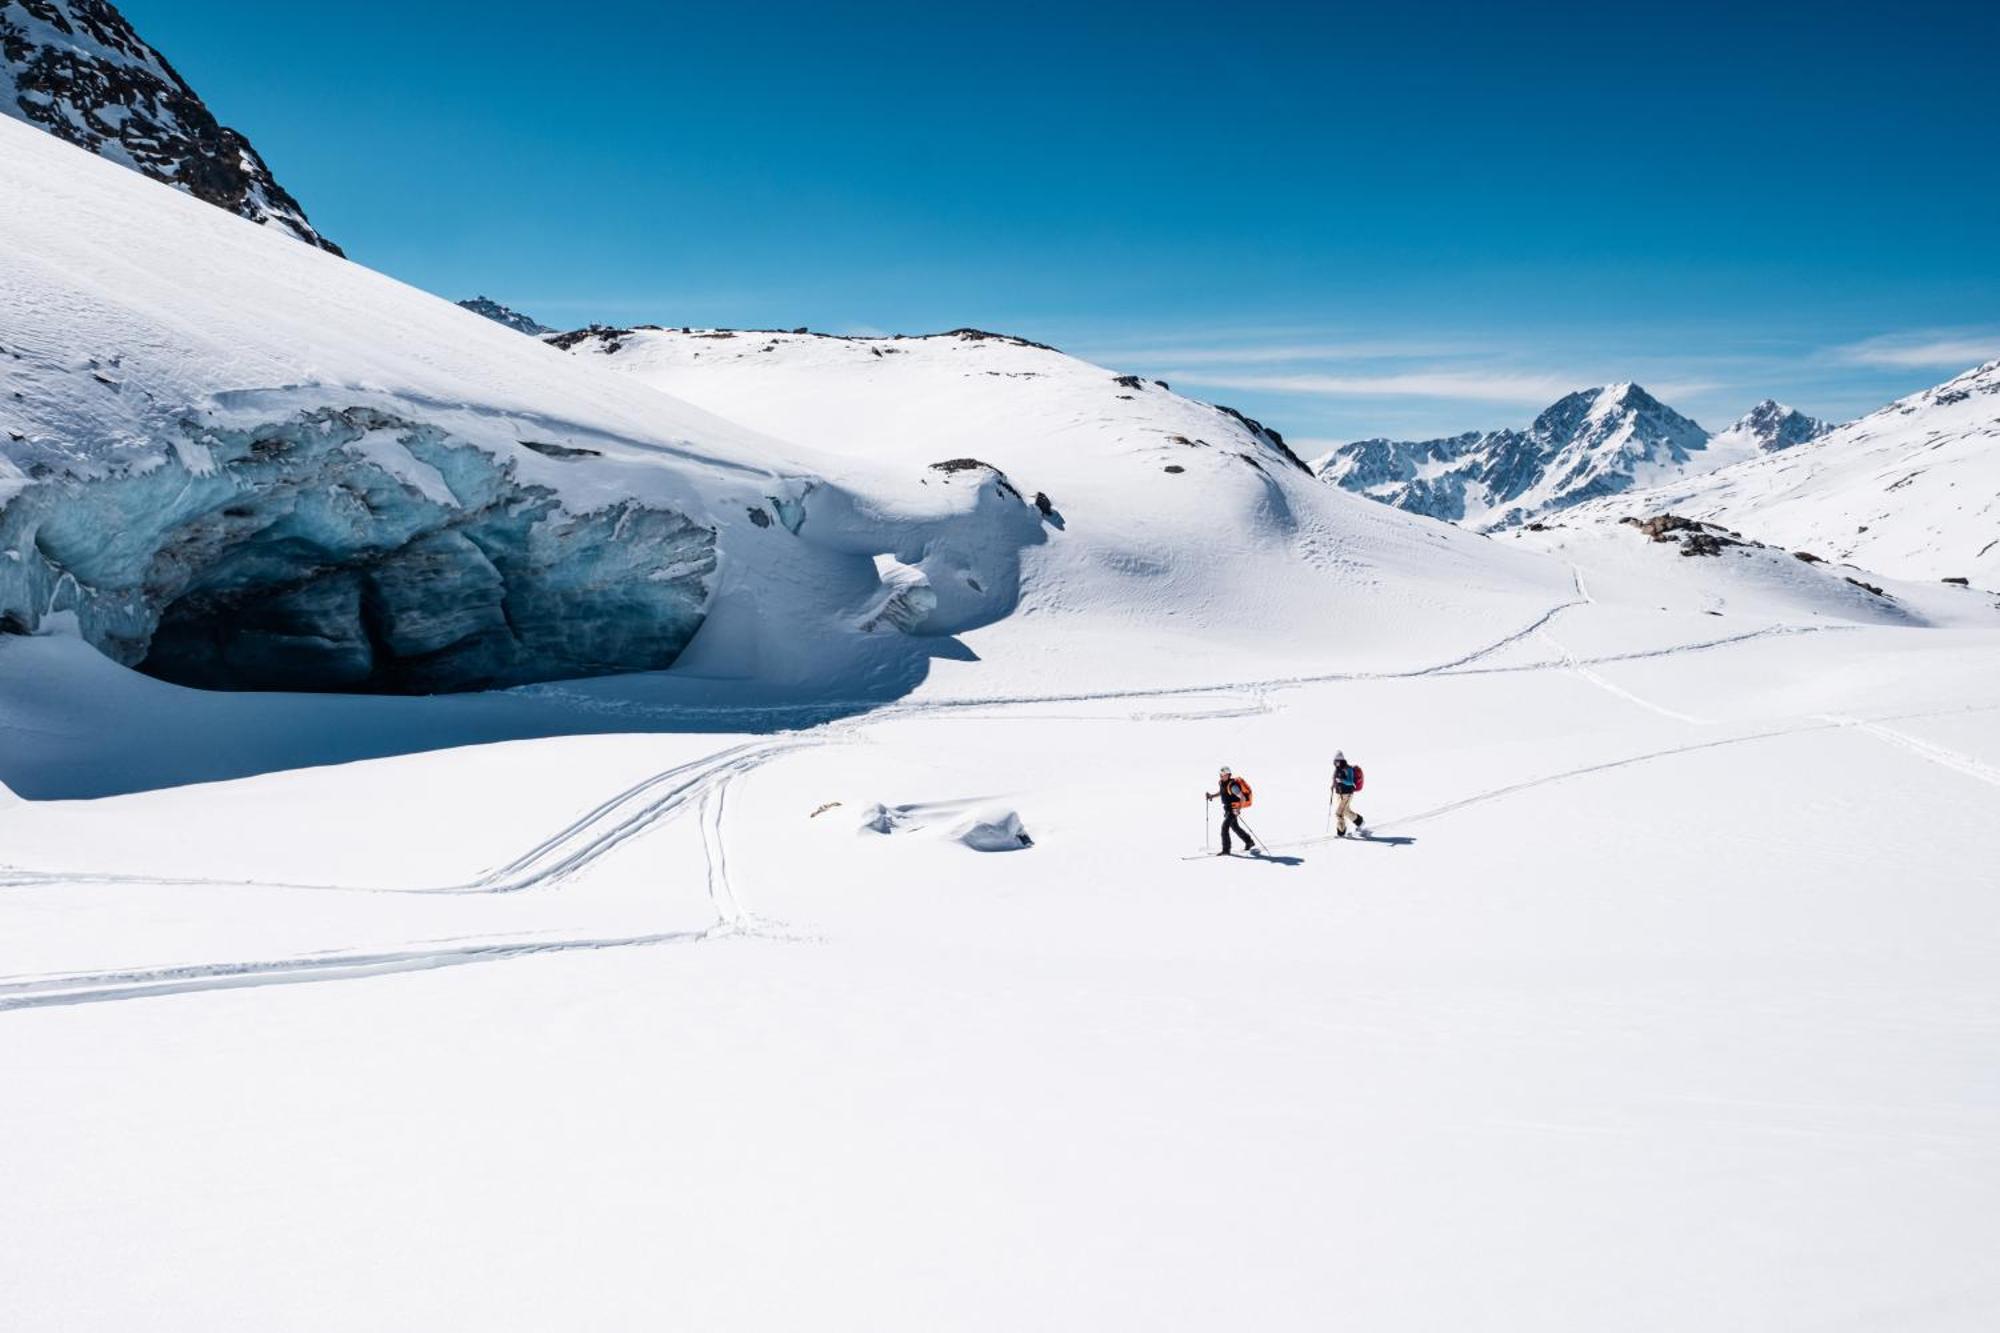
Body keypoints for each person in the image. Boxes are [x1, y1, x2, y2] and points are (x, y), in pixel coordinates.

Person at [1206, 766, 1256, 855]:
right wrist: (1212, 796)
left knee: (1224, 827)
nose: (1221, 776)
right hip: (1227, 809)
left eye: (1223, 775)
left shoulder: (1233, 786)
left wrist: (1238, 809)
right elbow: (1222, 792)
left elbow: (1243, 798)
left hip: (1233, 810)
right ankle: (1249, 841)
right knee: (1235, 827)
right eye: (1220, 774)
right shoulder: (1222, 783)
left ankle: (1226, 850)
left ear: (1228, 775)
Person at [1331, 752, 1365, 837]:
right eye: (1335, 761)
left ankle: (1341, 832)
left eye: (1337, 761)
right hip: (1339, 794)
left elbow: (1351, 782)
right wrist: (1333, 785)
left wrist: (1342, 781)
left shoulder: (1348, 769)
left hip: (1347, 794)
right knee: (1346, 811)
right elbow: (1335, 779)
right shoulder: (1337, 769)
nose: (1336, 763)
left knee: (1339, 813)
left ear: (1341, 760)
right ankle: (1360, 822)